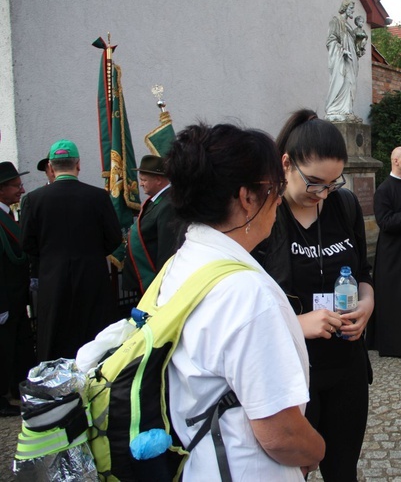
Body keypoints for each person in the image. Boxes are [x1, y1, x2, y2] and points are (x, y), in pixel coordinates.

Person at [160, 123, 324, 479]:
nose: (279, 199)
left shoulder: (182, 262)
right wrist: (316, 450)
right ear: (247, 197)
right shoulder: (246, 293)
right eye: (275, 189)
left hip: (203, 459)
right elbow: (281, 435)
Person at [252, 109, 373, 481]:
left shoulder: (344, 205)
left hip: (346, 365)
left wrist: (368, 304)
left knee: (342, 471)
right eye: (315, 183)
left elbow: (364, 276)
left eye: (334, 183)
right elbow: (246, 304)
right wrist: (297, 323)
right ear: (286, 164)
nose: (323, 194)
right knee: (292, 474)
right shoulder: (261, 217)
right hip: (291, 374)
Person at [21, 140, 122, 362]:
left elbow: (27, 243)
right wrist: (92, 253)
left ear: (50, 166)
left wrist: (51, 256)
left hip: (53, 279)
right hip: (92, 277)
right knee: (95, 335)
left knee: (56, 335)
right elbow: (114, 238)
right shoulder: (98, 197)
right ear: (78, 164)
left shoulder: (33, 200)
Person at [372, 146, 401, 357]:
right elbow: (385, 221)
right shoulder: (383, 190)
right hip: (391, 254)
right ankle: (392, 345)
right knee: (394, 299)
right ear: (396, 161)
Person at [0, 162, 35, 417]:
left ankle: (14, 388)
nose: (21, 190)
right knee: (3, 349)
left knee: (16, 346)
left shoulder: (8, 215)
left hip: (16, 297)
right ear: (1, 190)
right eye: (16, 186)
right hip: (5, 299)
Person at [123, 155, 179, 295]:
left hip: (153, 279)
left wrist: (161, 286)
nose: (140, 184)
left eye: (144, 180)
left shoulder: (168, 204)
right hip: (144, 277)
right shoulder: (158, 200)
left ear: (159, 180)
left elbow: (166, 248)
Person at [325, 0, 362, 122]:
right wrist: (341, 51)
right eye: (351, 8)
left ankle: (347, 110)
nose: (352, 11)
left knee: (351, 83)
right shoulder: (336, 21)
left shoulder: (349, 26)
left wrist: (358, 48)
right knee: (344, 81)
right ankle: (337, 109)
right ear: (345, 8)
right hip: (342, 59)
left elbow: (352, 42)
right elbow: (331, 40)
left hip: (351, 61)